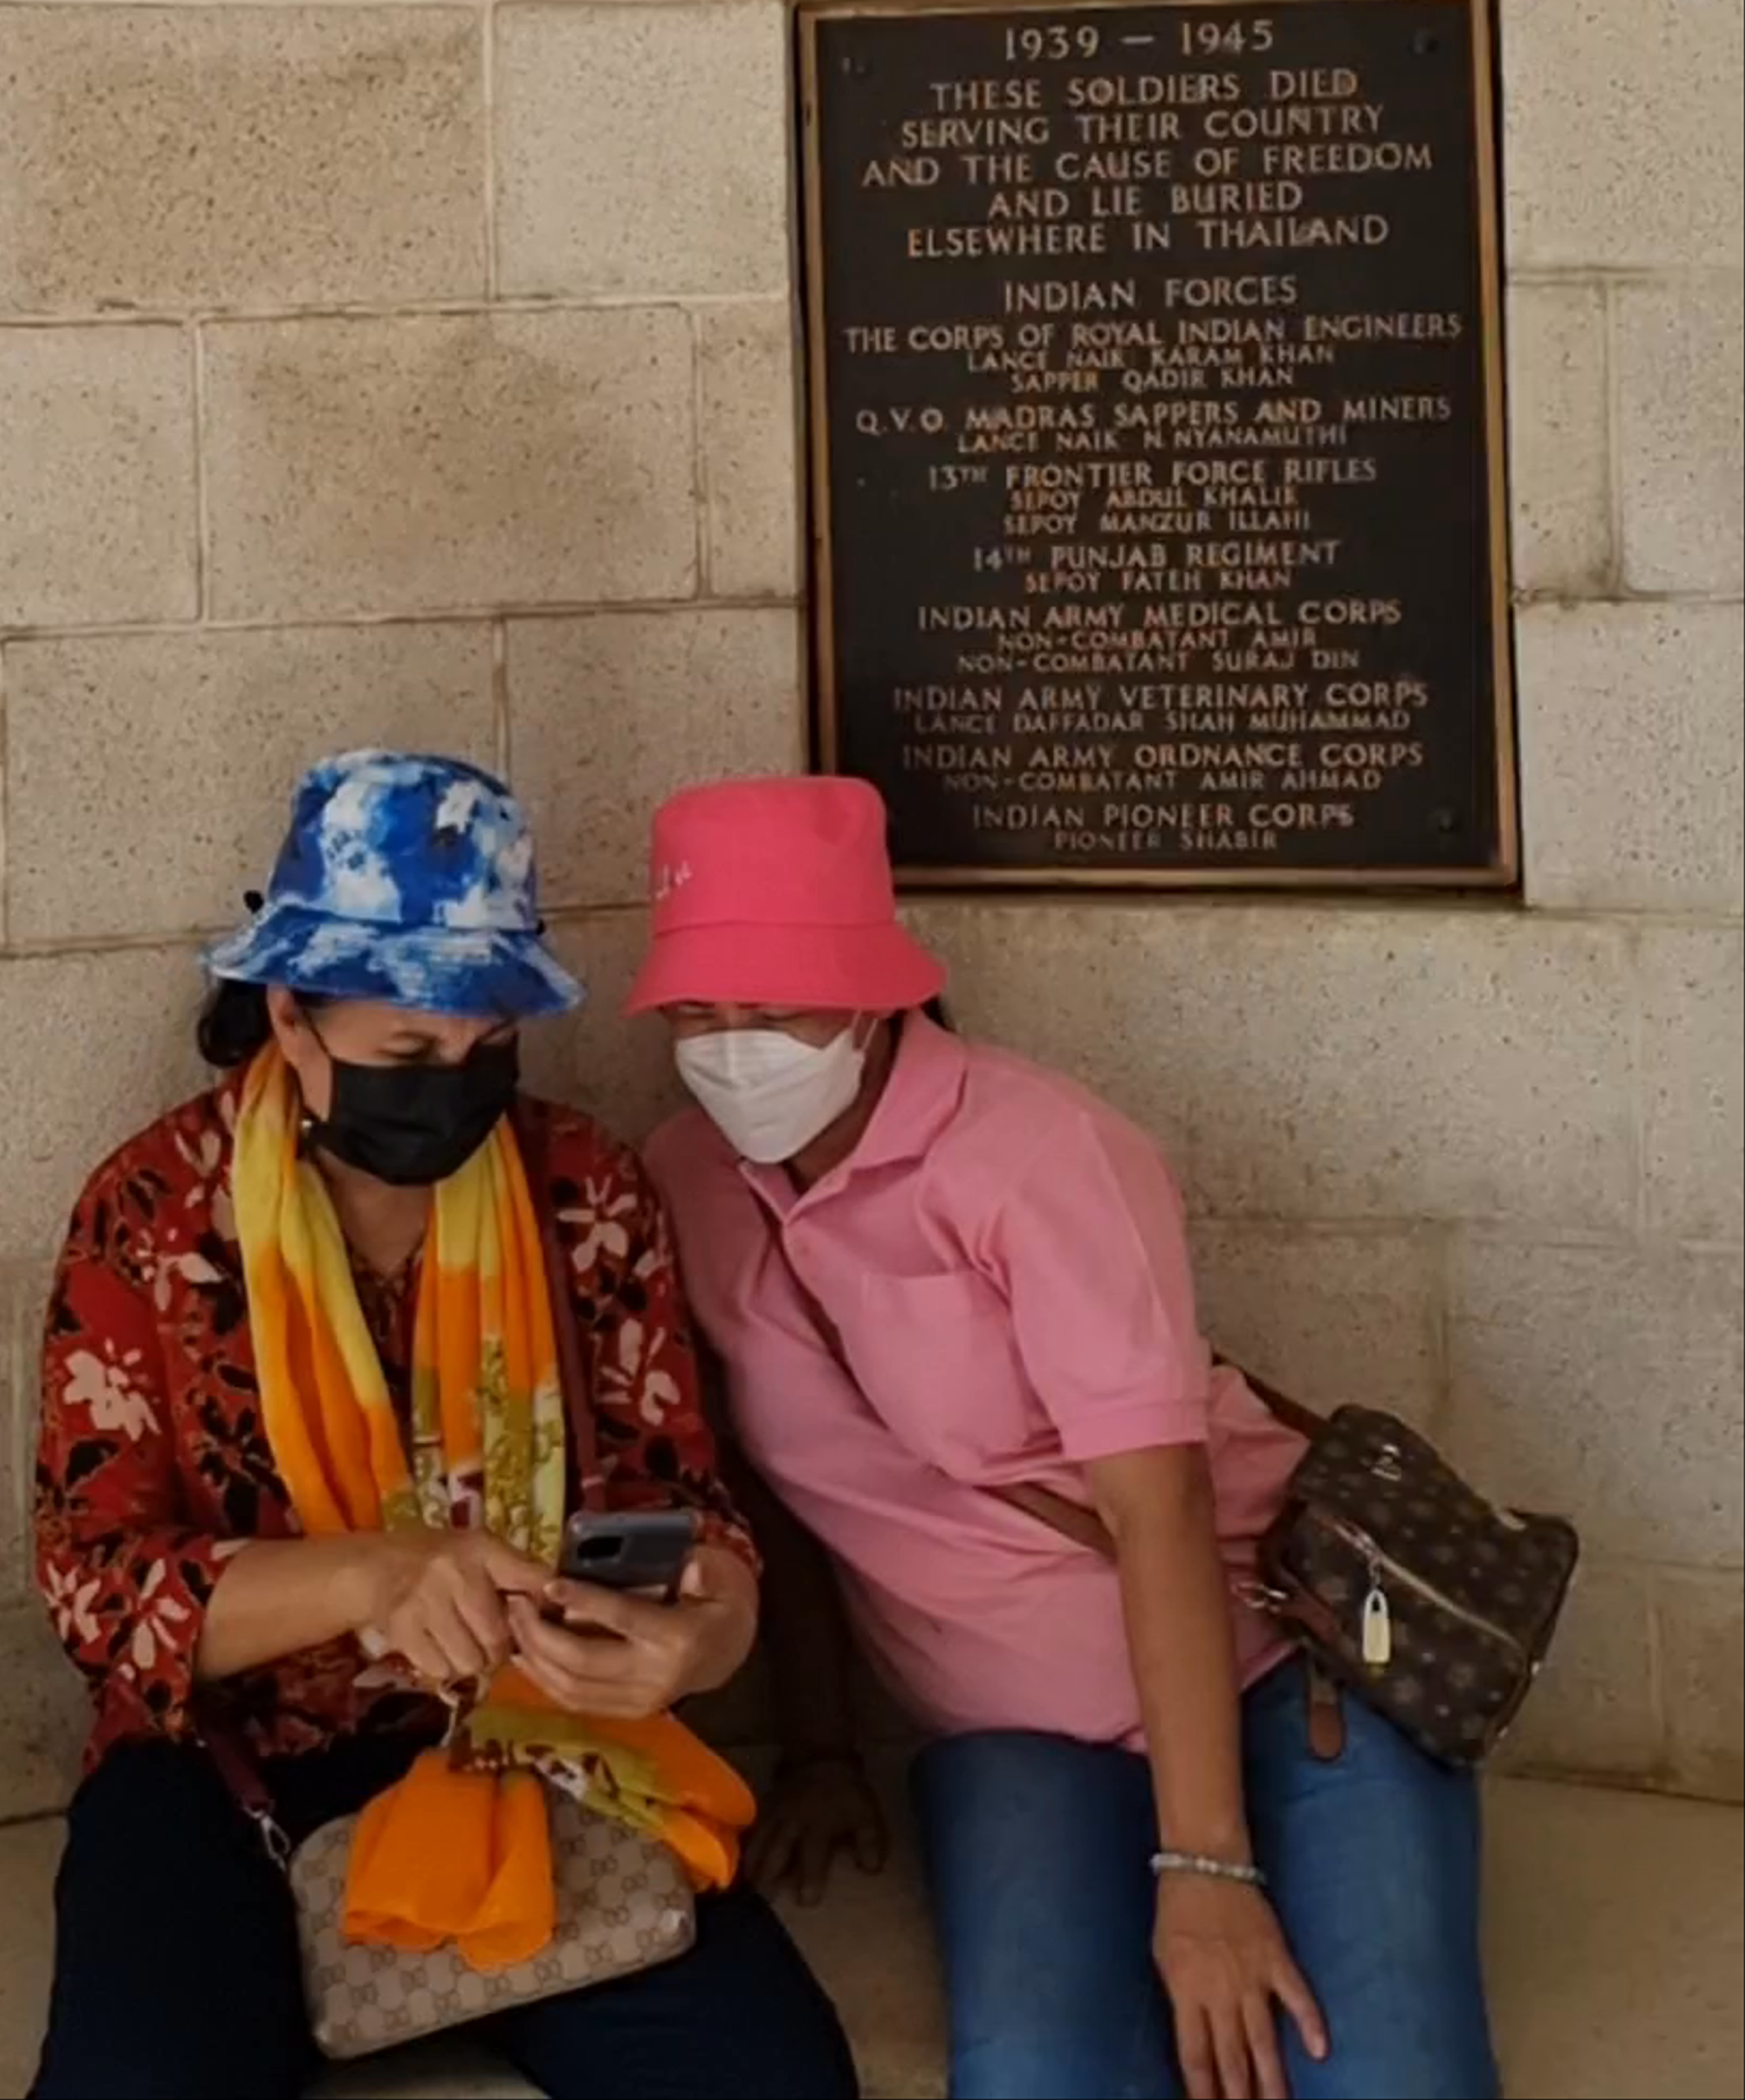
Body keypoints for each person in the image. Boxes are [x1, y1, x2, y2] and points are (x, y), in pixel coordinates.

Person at [634, 774, 1499, 2100]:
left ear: (872, 992)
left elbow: (1157, 1509)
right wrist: (817, 1747)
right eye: (699, 1008)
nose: (733, 1041)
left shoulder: (1038, 1151)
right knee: (1039, 2071)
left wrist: (1205, 1870)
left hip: (1277, 1665)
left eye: (775, 1001)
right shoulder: (686, 1181)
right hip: (1012, 1730)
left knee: (1384, 2071)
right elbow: (779, 1496)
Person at [28, 747, 858, 2100]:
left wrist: (699, 1632)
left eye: (488, 1048)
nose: (456, 1088)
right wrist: (377, 1571)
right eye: (409, 1051)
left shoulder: (580, 1186)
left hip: (535, 1736)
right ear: (291, 1017)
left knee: (770, 2078)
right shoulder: (155, 1211)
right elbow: (91, 1586)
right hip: (220, 1769)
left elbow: (682, 1505)